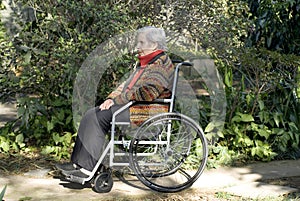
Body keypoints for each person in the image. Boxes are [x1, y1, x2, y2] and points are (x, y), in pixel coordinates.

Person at [55, 26, 174, 179]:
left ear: (154, 45)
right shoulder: (146, 63)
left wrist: (117, 100)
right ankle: (77, 163)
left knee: (98, 118)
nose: (137, 47)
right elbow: (126, 85)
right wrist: (111, 99)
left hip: (146, 112)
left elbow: (147, 92)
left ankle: (87, 169)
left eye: (141, 43)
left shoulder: (160, 64)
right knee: (91, 114)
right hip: (134, 107)